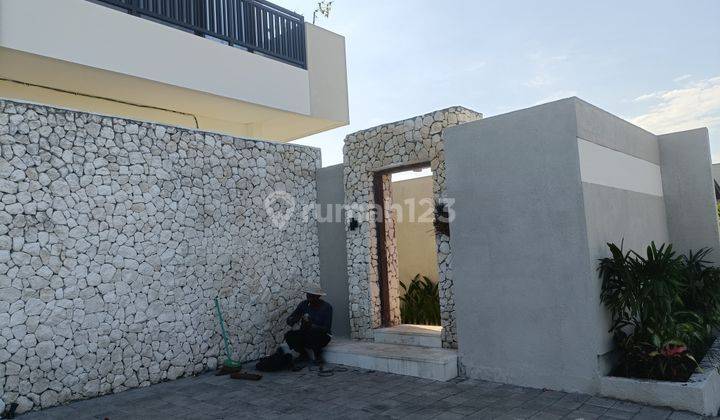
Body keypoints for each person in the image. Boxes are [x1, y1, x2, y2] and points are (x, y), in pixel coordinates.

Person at [284, 285, 333, 363]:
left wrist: (311, 325)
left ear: (318, 296)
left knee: (314, 333)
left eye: (312, 296)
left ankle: (318, 355)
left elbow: (326, 328)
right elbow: (291, 318)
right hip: (305, 334)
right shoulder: (303, 304)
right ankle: (303, 354)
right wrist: (292, 320)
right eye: (308, 295)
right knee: (289, 335)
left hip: (322, 336)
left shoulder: (327, 307)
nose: (309, 297)